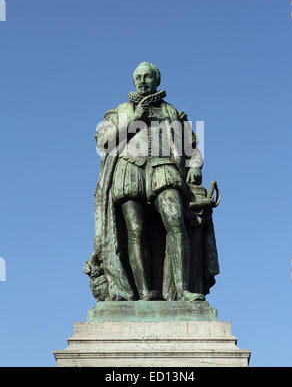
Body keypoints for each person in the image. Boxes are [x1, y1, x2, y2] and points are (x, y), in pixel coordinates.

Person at [85, 62, 219, 302]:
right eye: (138, 77)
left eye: (147, 76)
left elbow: (192, 148)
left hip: (163, 168)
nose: (142, 80)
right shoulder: (117, 112)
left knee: (175, 223)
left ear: (157, 80)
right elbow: (103, 144)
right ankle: (145, 292)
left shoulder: (171, 112)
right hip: (129, 170)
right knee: (135, 231)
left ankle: (183, 290)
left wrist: (196, 165)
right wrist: (134, 120)